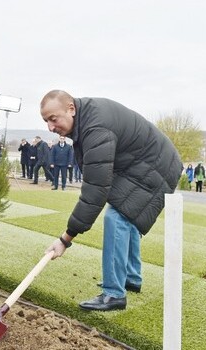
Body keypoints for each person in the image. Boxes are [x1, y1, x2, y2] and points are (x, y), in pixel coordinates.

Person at [40, 90, 181, 311]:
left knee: (117, 217)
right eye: (46, 121)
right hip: (147, 161)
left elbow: (94, 192)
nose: (50, 127)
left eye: (53, 119)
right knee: (125, 212)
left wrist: (65, 239)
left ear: (71, 109)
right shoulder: (87, 119)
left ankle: (114, 294)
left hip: (157, 165)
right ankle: (131, 278)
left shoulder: (95, 127)